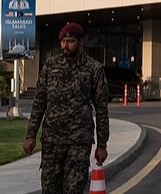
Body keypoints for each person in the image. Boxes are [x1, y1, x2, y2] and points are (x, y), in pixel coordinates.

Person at [23, 23, 111, 194]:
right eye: (63, 41)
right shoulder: (50, 66)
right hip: (52, 142)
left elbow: (101, 109)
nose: (66, 45)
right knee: (49, 189)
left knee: (73, 190)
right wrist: (31, 135)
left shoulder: (93, 68)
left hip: (78, 143)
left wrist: (102, 144)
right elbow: (39, 103)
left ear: (81, 42)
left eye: (70, 41)